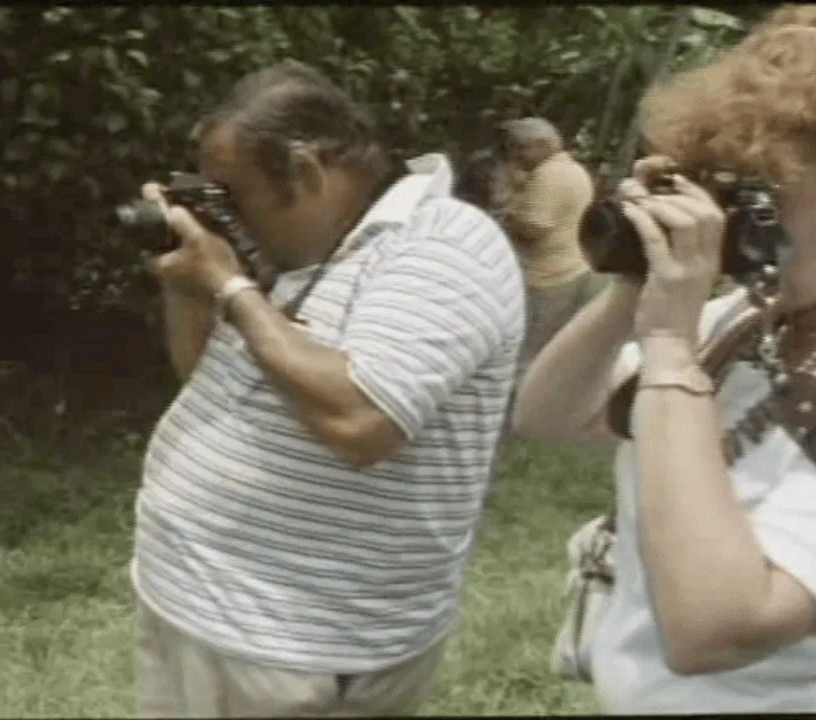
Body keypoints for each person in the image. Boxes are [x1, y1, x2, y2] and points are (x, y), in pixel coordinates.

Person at [513, 3, 816, 713]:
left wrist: (667, 350)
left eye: (760, 194)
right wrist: (635, 285)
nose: (725, 221)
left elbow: (714, 627)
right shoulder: (759, 316)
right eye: (720, 186)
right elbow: (551, 414)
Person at [132, 61, 524, 717]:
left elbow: (360, 422)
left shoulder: (443, 245)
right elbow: (204, 375)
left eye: (235, 192)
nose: (228, 212)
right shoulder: (306, 257)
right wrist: (188, 284)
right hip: (203, 606)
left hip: (293, 644)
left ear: (309, 170)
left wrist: (232, 289)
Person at [497, 118, 605, 375]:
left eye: (521, 148)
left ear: (542, 145)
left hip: (545, 278)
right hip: (569, 269)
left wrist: (506, 217)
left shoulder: (549, 176)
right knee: (542, 347)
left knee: (524, 354)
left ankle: (517, 407)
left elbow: (536, 227)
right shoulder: (574, 170)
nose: (516, 155)